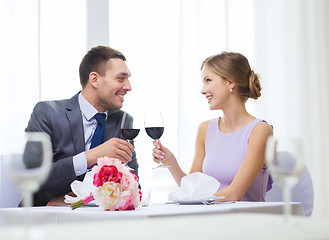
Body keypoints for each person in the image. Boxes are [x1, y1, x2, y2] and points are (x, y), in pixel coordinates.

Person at [25, 46, 138, 206]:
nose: (128, 86)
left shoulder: (123, 121)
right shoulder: (46, 113)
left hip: (96, 221)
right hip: (42, 217)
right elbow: (32, 177)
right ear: (94, 79)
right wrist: (91, 156)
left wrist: (79, 202)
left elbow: (132, 186)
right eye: (121, 79)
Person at [153, 52, 273, 202]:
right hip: (211, 219)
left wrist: (190, 199)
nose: (203, 90)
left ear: (231, 82)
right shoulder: (205, 129)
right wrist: (171, 163)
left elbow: (234, 193)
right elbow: (192, 188)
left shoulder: (260, 130)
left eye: (208, 80)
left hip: (246, 220)